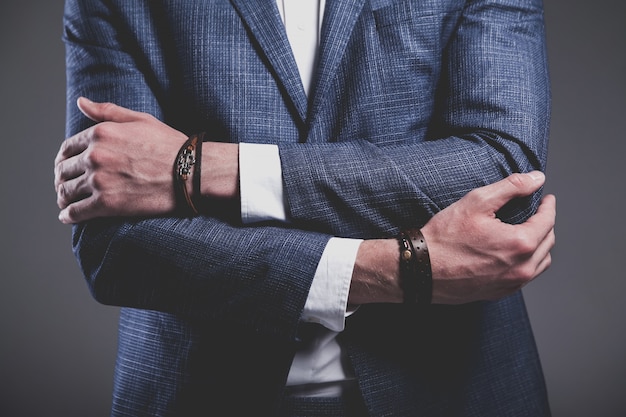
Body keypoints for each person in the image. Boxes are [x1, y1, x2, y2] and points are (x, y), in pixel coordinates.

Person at [54, 0, 555, 416]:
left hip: (454, 386)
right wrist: (396, 270)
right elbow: (114, 244)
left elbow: (503, 173)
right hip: (198, 392)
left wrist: (206, 168)